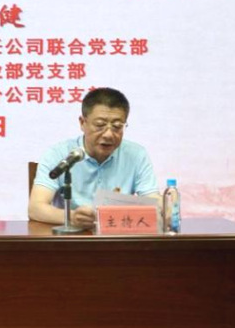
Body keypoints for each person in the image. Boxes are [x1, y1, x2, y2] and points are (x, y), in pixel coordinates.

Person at [28, 87, 158, 228]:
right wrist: (72, 217)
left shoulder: (136, 155)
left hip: (118, 236)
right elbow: (35, 208)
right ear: (82, 123)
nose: (108, 134)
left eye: (117, 126)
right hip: (72, 236)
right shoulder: (59, 154)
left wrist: (167, 205)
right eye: (100, 125)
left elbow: (153, 202)